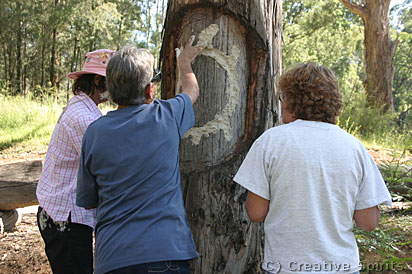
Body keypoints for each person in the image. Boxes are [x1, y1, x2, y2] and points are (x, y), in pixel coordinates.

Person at [233, 62, 392, 274]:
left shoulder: (270, 142)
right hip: (342, 266)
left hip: (286, 266)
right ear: (334, 103)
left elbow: (256, 212)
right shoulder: (354, 147)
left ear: (290, 101)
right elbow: (368, 221)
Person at [76, 38, 201, 274]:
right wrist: (184, 63)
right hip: (166, 253)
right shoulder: (167, 116)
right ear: (148, 90)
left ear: (110, 90)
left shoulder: (93, 132)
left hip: (112, 257)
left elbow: (88, 200)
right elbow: (191, 91)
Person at [36, 49, 114, 274]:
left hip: (61, 214)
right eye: (112, 81)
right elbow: (104, 168)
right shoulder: (85, 118)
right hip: (65, 219)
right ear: (98, 80)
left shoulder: (81, 108)